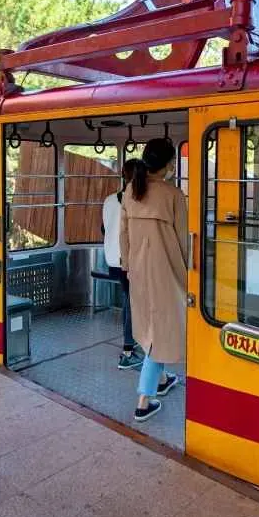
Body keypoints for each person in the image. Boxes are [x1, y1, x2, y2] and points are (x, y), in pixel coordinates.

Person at [120, 138, 187, 422]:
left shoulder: (129, 192)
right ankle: (143, 400)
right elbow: (185, 240)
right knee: (161, 329)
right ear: (169, 164)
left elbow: (123, 237)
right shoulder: (173, 194)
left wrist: (127, 264)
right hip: (167, 270)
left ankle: (163, 380)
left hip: (137, 270)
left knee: (149, 324)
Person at [103, 159, 145, 370]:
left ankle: (135, 342)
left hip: (111, 259)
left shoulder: (109, 200)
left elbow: (104, 229)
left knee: (130, 299)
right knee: (132, 302)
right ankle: (128, 351)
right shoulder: (137, 202)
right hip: (129, 259)